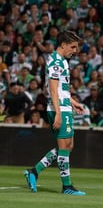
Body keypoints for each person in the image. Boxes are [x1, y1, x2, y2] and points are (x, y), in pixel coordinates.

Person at [24, 31, 86, 195]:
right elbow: (52, 89)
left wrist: (72, 102)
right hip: (58, 109)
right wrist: (58, 113)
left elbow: (62, 89)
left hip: (65, 107)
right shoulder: (55, 62)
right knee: (64, 146)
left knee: (68, 146)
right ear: (63, 45)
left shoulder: (64, 62)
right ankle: (67, 186)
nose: (75, 50)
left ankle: (34, 172)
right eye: (73, 47)